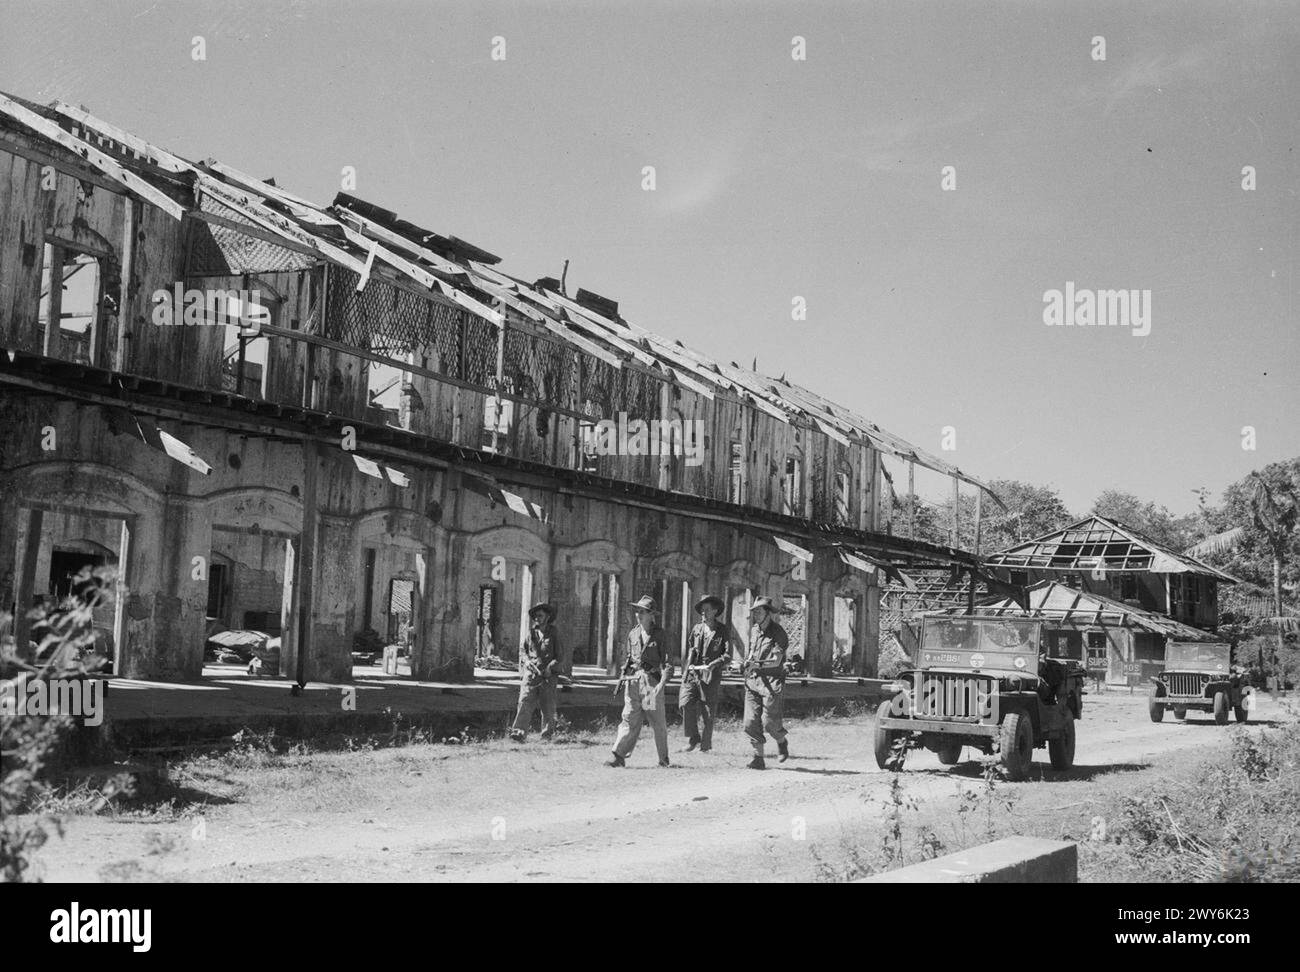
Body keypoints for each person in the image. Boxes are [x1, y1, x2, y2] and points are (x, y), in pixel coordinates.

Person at [607, 595, 673, 767]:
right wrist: (624, 674)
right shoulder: (633, 633)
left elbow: (667, 663)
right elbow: (629, 658)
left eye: (643, 612)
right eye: (637, 611)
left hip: (649, 684)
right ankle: (618, 755)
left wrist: (661, 684)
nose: (638, 615)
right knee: (629, 718)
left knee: (656, 721)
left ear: (652, 615)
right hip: (633, 681)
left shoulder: (659, 635)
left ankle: (663, 759)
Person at [742, 596, 789, 769]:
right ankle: (758, 758)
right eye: (754, 611)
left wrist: (758, 664)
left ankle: (782, 742)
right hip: (753, 680)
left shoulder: (778, 632)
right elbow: (751, 653)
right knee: (750, 722)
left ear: (768, 613)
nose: (756, 614)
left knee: (769, 722)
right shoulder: (754, 630)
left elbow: (777, 661)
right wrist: (746, 664)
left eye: (759, 611)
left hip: (772, 681)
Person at [680, 594, 728, 752]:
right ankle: (693, 738)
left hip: (710, 675)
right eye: (701, 611)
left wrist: (714, 664)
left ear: (715, 611)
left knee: (708, 711)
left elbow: (727, 655)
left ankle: (705, 746)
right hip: (693, 672)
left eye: (706, 610)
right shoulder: (697, 629)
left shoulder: (722, 630)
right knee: (685, 703)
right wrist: (686, 669)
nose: (703, 614)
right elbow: (690, 648)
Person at [510, 602, 560, 742]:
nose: (537, 618)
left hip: (548, 676)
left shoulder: (554, 633)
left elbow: (560, 656)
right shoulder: (531, 633)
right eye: (535, 616)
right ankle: (518, 733)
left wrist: (550, 668)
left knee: (548, 706)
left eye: (540, 615)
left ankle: (547, 735)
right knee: (525, 702)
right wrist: (526, 661)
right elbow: (523, 650)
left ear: (547, 616)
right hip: (531, 674)